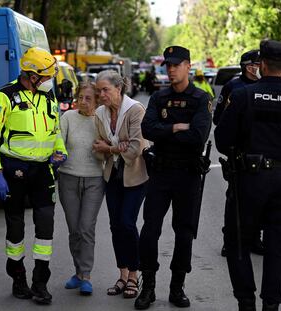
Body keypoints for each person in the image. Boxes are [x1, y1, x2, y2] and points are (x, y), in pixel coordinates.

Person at [215, 39, 281, 311]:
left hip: (250, 180)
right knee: (276, 245)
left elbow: (223, 140)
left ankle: (246, 302)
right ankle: (271, 305)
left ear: (261, 64)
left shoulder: (243, 96)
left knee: (238, 242)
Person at [0, 47, 67, 305]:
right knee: (16, 226)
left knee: (45, 225)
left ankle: (40, 282)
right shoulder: (4, 96)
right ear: (31, 75)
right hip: (14, 169)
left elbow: (55, 130)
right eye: (45, 76)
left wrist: (60, 151)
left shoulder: (47, 96)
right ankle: (17, 277)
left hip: (43, 170)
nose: (48, 80)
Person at [135, 46, 211, 310]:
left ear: (188, 66)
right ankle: (149, 286)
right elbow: (147, 128)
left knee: (184, 233)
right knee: (149, 231)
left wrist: (164, 132)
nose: (170, 69)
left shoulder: (201, 98)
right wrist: (177, 127)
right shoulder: (158, 97)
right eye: (168, 64)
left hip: (188, 174)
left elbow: (198, 136)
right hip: (161, 173)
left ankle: (177, 287)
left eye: (176, 64)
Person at [92, 70, 148, 299]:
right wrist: (115, 147)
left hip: (135, 176)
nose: (101, 95)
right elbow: (97, 147)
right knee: (116, 225)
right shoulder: (99, 114)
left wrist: (110, 148)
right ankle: (123, 275)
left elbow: (136, 149)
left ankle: (135, 275)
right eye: (98, 91)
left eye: (105, 90)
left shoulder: (135, 109)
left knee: (127, 222)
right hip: (112, 175)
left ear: (119, 88)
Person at [213, 49, 264, 257]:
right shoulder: (233, 86)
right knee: (235, 198)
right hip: (239, 151)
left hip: (261, 150)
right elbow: (218, 119)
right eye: (254, 65)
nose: (258, 69)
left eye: (260, 64)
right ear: (246, 66)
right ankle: (230, 240)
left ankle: (254, 239)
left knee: (260, 197)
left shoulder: (265, 86)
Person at [58, 81, 105, 295]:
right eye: (80, 98)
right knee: (74, 229)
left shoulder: (102, 120)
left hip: (94, 180)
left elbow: (110, 147)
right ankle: (78, 273)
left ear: (96, 100)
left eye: (88, 98)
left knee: (86, 227)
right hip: (68, 178)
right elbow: (58, 143)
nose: (83, 102)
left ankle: (86, 275)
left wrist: (104, 149)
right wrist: (56, 154)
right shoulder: (67, 117)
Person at [213, 49, 261, 125]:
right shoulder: (231, 86)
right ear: (249, 68)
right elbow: (218, 118)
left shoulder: (265, 85)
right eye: (259, 64)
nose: (264, 67)